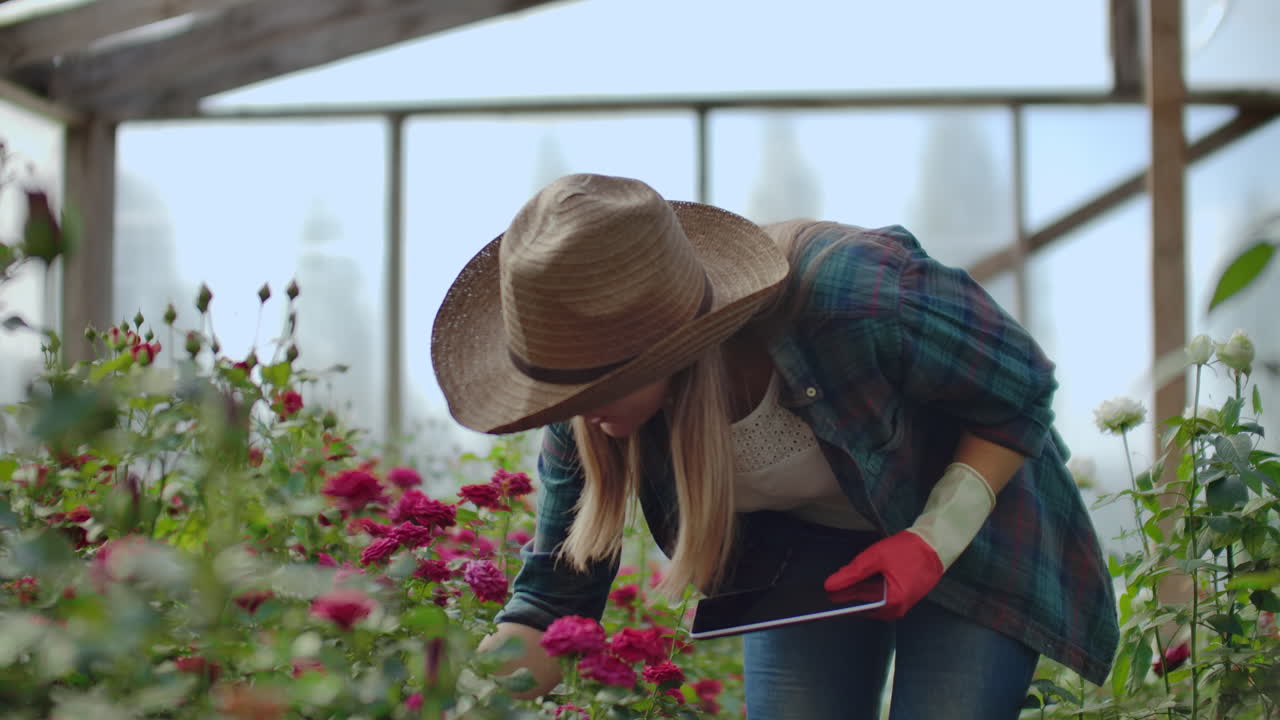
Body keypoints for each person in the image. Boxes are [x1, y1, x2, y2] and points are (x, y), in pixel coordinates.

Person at [431, 173, 1118, 719]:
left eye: (599, 386)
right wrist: (463, 704)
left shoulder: (853, 301)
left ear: (663, 351)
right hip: (806, 562)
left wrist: (932, 539)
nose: (572, 414)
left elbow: (1018, 391)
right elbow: (552, 604)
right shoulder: (585, 403)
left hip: (968, 527)